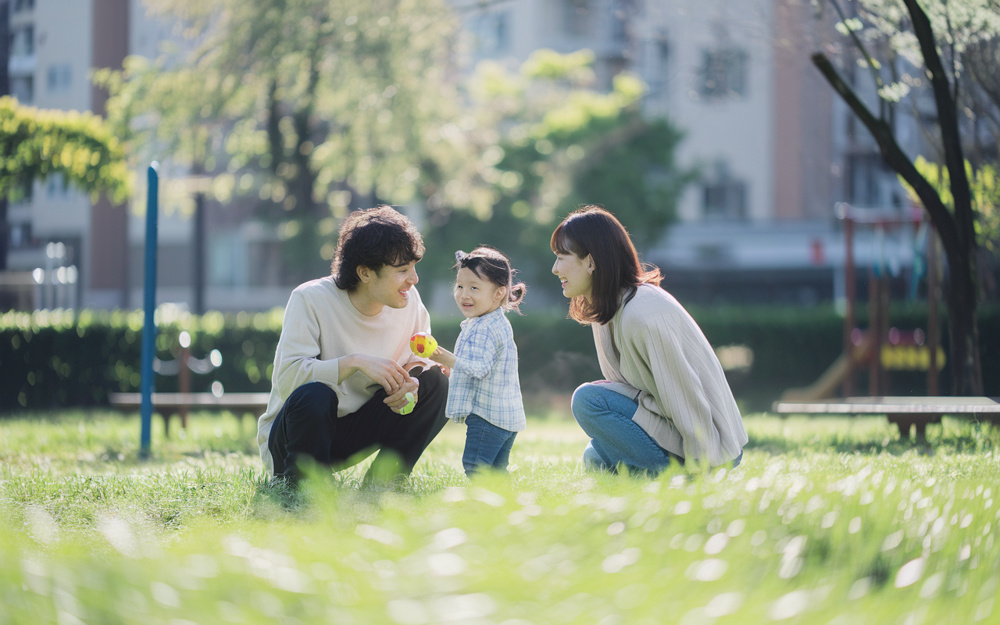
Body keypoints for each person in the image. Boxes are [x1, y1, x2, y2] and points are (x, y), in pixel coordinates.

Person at [257, 205, 449, 486]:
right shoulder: (310, 299)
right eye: (402, 270)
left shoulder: (409, 301)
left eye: (413, 267)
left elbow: (421, 359)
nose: (414, 279)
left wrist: (412, 379)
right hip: (296, 438)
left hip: (354, 432)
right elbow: (288, 379)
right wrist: (354, 362)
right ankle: (301, 486)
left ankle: (383, 484)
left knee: (436, 383)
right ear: (365, 273)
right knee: (315, 395)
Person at [550, 205, 747, 475]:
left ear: (591, 262)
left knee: (588, 400)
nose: (555, 269)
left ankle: (676, 480)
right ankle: (652, 475)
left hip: (709, 446)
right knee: (594, 458)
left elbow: (685, 392)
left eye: (562, 257)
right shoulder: (607, 309)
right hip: (669, 426)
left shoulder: (642, 313)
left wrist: (703, 466)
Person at [419, 246, 527, 476]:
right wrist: (454, 367)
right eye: (460, 286)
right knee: (496, 471)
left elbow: (479, 369)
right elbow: (482, 366)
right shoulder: (495, 322)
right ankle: (503, 499)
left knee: (475, 466)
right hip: (506, 416)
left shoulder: (483, 328)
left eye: (474, 288)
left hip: (487, 416)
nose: (464, 295)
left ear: (499, 293)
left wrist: (449, 359)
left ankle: (484, 500)